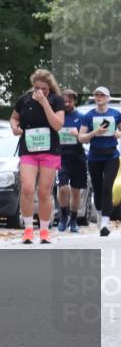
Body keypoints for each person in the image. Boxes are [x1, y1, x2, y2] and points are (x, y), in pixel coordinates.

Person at [10, 69, 66, 244]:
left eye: (44, 88)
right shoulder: (24, 99)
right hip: (29, 149)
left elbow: (57, 125)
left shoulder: (56, 100)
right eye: (37, 88)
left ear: (50, 87)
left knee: (44, 192)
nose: (40, 91)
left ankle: (44, 231)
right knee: (27, 188)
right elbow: (13, 118)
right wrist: (14, 127)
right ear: (32, 86)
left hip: (49, 151)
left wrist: (44, 103)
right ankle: (27, 230)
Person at [77, 86, 121, 236]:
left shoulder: (116, 114)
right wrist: (95, 132)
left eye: (102, 95)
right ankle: (101, 214)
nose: (99, 97)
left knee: (107, 187)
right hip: (94, 156)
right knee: (97, 188)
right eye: (96, 95)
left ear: (108, 98)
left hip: (112, 156)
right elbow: (81, 138)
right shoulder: (88, 116)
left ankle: (105, 223)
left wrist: (118, 133)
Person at [56, 89, 87, 233]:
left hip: (78, 158)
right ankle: (63, 216)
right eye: (64, 101)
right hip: (62, 157)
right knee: (63, 189)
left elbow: (87, 138)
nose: (67, 103)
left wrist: (79, 135)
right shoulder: (58, 116)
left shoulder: (82, 117)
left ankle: (73, 220)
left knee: (76, 192)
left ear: (75, 101)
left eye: (70, 101)